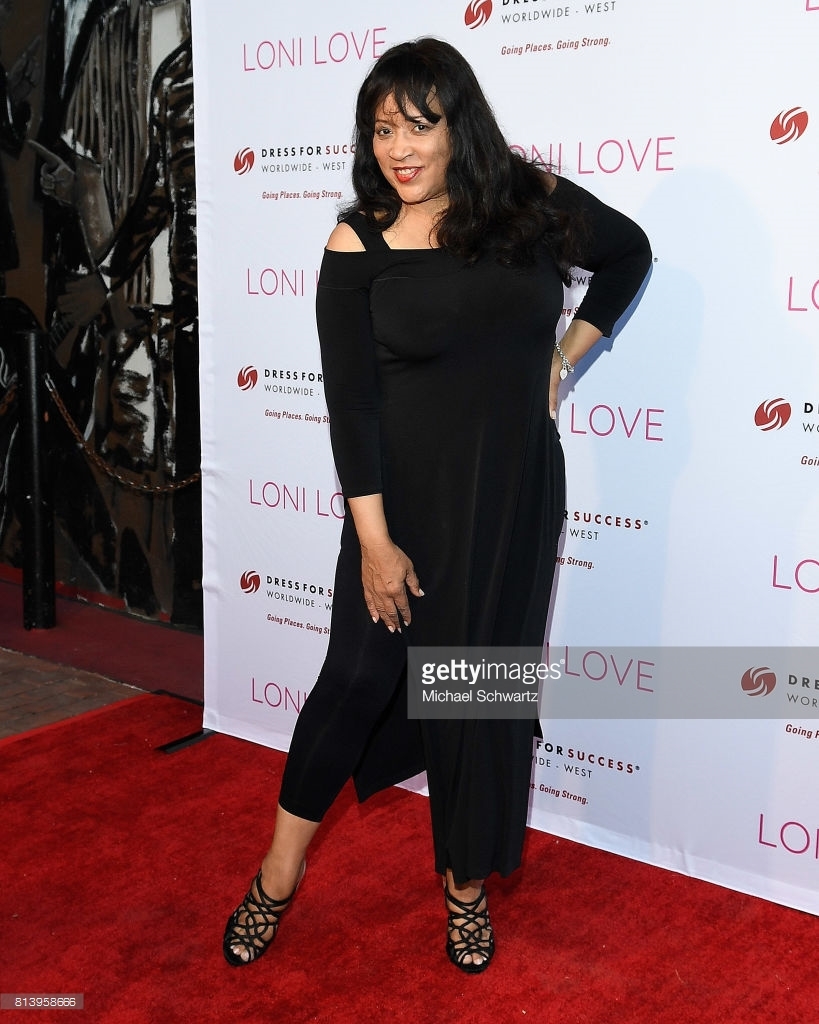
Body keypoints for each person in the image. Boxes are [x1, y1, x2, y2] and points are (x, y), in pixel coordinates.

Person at [223, 38, 651, 974]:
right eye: (382, 129)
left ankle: (464, 887)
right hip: (402, 509)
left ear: (460, 125)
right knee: (355, 681)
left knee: (476, 696)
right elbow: (353, 408)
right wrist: (374, 544)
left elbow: (628, 255)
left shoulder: (528, 204)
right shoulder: (358, 241)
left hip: (510, 497)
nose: (399, 148)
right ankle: (279, 871)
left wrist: (563, 358)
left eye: (419, 125)